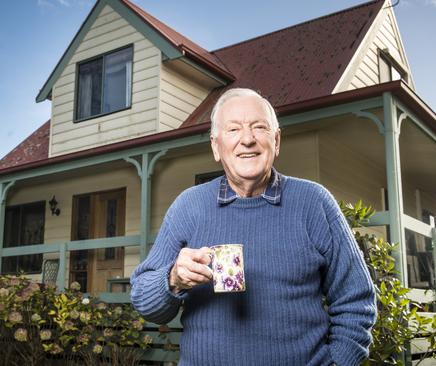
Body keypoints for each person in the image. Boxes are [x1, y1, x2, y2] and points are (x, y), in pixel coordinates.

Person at [130, 88, 376, 366]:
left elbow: (357, 301)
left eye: (259, 127)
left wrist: (337, 363)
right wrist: (173, 279)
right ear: (215, 146)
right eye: (233, 129)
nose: (247, 139)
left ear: (277, 140)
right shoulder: (189, 206)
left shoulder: (313, 203)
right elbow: (145, 302)